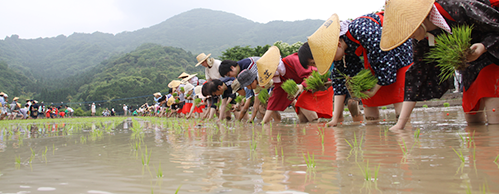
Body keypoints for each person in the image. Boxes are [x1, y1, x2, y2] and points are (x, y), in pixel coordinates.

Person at [380, 0, 499, 129]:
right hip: (469, 65)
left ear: (419, 20)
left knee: (494, 114)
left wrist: (483, 47)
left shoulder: (458, 8)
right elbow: (417, 75)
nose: (409, 37)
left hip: (492, 57)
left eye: (409, 32)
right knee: (472, 118)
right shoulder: (422, 38)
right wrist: (400, 124)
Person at [305, 12, 413, 126]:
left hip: (398, 54)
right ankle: (373, 138)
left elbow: (383, 54)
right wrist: (335, 118)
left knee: (399, 105)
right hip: (375, 66)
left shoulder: (360, 28)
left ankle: (403, 136)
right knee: (370, 110)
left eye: (330, 57)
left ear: (338, 44)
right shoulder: (342, 54)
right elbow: (339, 82)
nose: (332, 61)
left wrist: (374, 89)